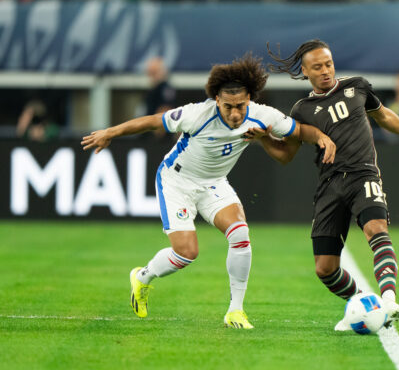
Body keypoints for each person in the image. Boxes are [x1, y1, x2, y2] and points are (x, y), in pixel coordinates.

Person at [81, 54, 336, 328]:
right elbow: (153, 121)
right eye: (228, 107)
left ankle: (235, 311)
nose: (235, 113)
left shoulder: (263, 116)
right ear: (217, 100)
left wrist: (321, 136)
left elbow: (298, 131)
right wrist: (110, 132)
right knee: (186, 253)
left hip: (214, 182)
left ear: (249, 98)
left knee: (240, 234)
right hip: (177, 182)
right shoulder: (197, 114)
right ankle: (142, 277)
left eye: (240, 106)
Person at [251, 39, 399, 331]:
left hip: (364, 175)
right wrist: (262, 138)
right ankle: (366, 305)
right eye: (317, 67)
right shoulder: (302, 109)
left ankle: (388, 299)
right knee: (325, 269)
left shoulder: (358, 87)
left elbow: (383, 115)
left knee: (376, 228)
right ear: (306, 72)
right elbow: (285, 155)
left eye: (329, 64)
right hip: (329, 184)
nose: (325, 71)